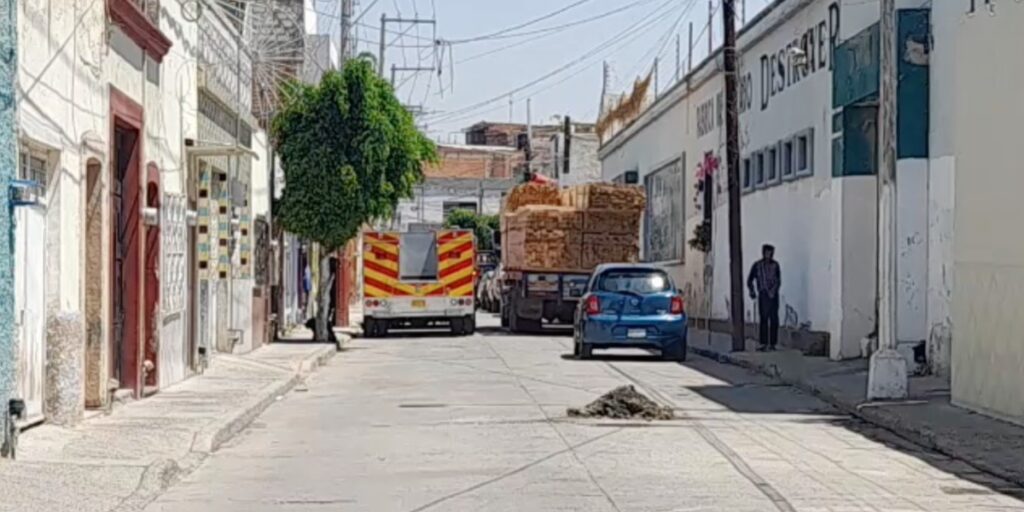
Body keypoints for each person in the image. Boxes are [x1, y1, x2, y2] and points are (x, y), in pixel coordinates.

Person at [747, 244, 781, 351]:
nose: (768, 255)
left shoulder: (776, 265)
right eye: (766, 253)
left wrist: (774, 290)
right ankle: (763, 343)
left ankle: (773, 343)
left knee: (774, 319)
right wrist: (752, 291)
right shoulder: (757, 265)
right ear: (763, 253)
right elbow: (750, 280)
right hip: (763, 294)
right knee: (764, 318)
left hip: (774, 295)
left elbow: (778, 280)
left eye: (770, 253)